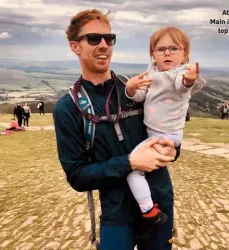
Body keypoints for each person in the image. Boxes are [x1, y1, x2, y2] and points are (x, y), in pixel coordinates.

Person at [53, 9, 180, 250]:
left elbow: (167, 127)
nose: (103, 45)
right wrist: (130, 163)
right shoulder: (68, 108)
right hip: (116, 215)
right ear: (74, 46)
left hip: (159, 203)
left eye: (108, 39)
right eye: (93, 39)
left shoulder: (137, 90)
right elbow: (77, 176)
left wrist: (174, 149)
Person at [125, 26, 205, 232]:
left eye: (174, 48)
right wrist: (132, 88)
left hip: (165, 136)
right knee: (140, 170)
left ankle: (148, 209)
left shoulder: (179, 73)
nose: (167, 53)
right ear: (153, 54)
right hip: (154, 134)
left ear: (185, 54)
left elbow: (182, 85)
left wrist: (190, 78)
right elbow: (142, 97)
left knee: (132, 171)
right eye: (161, 49)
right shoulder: (152, 74)